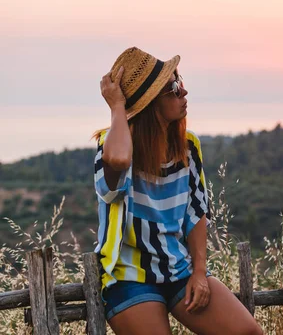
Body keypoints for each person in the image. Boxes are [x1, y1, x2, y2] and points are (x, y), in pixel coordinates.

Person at [93, 46, 263, 335]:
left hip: (178, 269)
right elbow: (120, 160)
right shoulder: (113, 146)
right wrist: (117, 107)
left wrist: (199, 272)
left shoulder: (188, 146)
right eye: (172, 88)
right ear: (149, 103)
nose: (183, 92)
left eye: (179, 81)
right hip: (128, 275)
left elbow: (196, 212)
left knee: (248, 332)